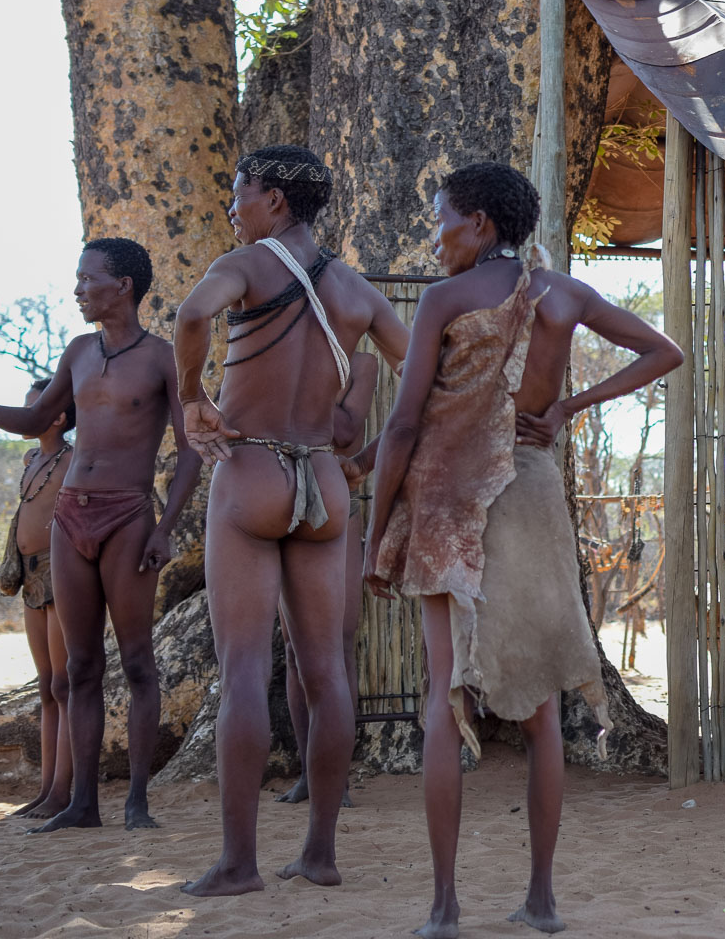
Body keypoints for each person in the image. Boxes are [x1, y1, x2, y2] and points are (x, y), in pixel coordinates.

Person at [363, 161, 683, 938]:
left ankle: (444, 907)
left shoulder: (444, 299)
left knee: (445, 701)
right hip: (531, 489)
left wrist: (377, 535)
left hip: (449, 497)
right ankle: (541, 899)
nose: (434, 236)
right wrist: (568, 405)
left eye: (440, 217)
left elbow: (403, 425)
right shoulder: (563, 294)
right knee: (541, 709)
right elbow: (664, 352)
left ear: (478, 223)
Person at [172, 145, 409, 896]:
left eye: (238, 193)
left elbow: (191, 315)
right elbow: (426, 384)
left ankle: (238, 864)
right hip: (324, 481)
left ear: (273, 199)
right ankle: (320, 854)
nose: (231, 209)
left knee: (244, 668)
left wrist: (192, 399)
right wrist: (368, 456)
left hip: (250, 472)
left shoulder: (246, 266)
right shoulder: (357, 290)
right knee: (326, 670)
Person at [0, 237, 201, 833]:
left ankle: (137, 802)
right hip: (70, 516)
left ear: (122, 286)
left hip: (128, 516)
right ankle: (82, 804)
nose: (77, 290)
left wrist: (164, 527)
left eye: (87, 279)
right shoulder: (78, 351)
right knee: (79, 667)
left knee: (137, 662)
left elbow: (190, 452)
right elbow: (34, 420)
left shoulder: (161, 358)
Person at [274, 350, 377, 809]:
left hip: (335, 501)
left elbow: (343, 432)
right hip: (281, 495)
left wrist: (297, 379)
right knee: (293, 649)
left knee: (339, 643)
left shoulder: (362, 365)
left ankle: (337, 779)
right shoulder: (280, 348)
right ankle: (307, 774)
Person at [0, 379, 75, 819]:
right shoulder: (31, 460)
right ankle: (46, 790)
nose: (24, 415)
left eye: (33, 408)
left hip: (58, 571)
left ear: (58, 416)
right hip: (29, 577)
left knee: (64, 684)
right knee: (46, 684)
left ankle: (63, 790)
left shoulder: (73, 459)